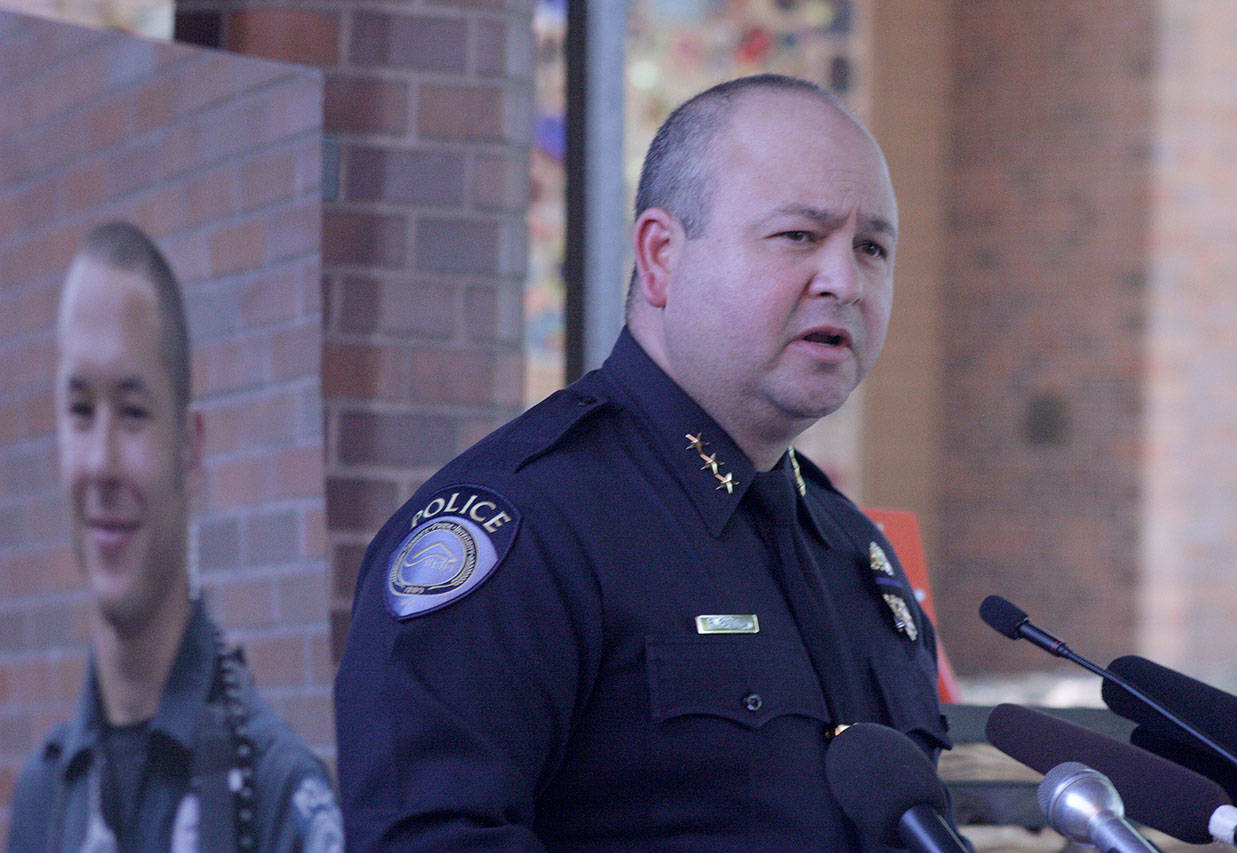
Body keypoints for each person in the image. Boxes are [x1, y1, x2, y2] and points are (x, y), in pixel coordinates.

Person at [336, 74, 953, 850]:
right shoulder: (530, 529)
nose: (845, 281)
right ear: (661, 256)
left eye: (872, 247)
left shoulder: (857, 554)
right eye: (799, 236)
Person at [8, 222, 343, 852]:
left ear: (189, 453)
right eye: (80, 411)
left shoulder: (277, 802)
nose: (101, 463)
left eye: (133, 412)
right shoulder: (44, 802)